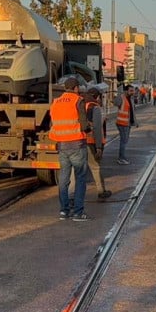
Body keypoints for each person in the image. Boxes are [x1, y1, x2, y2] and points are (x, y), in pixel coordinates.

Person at [50, 77, 92, 221]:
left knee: (63, 179)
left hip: (62, 145)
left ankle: (64, 211)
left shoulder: (55, 102)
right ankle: (78, 213)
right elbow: (84, 124)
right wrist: (89, 127)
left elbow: (53, 122)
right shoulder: (78, 100)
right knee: (80, 178)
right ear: (76, 88)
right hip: (77, 145)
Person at [84, 86, 111, 200]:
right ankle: (101, 191)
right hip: (91, 142)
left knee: (77, 170)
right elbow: (97, 128)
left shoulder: (82, 105)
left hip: (79, 141)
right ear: (97, 97)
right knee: (95, 167)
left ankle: (71, 196)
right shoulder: (95, 108)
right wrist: (99, 147)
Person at [114, 84, 138, 165]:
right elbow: (115, 103)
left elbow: (132, 111)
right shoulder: (122, 97)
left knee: (125, 140)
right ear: (126, 91)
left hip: (128, 123)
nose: (132, 92)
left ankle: (122, 157)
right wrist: (119, 94)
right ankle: (121, 158)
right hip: (122, 123)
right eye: (131, 91)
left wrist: (135, 122)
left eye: (133, 90)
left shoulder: (130, 98)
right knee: (123, 141)